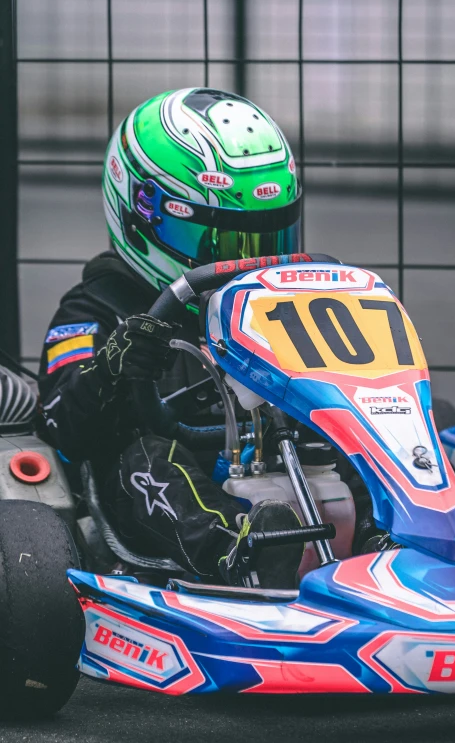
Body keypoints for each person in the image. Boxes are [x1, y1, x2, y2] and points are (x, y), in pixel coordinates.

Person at [38, 88, 306, 589]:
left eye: (263, 237)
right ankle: (241, 552)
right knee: (147, 456)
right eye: (220, 241)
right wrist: (113, 365)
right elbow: (60, 426)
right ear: (142, 214)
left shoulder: (280, 305)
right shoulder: (91, 310)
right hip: (159, 503)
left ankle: (388, 535)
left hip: (276, 458)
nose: (242, 261)